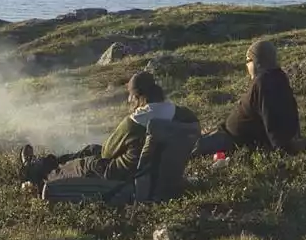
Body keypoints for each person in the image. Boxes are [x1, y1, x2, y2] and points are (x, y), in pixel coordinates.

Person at [20, 67, 199, 189]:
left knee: (85, 164)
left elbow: (107, 152)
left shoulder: (136, 121)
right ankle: (42, 163)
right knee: (91, 149)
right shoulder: (184, 115)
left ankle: (39, 175)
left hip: (124, 177)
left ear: (137, 97)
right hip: (163, 176)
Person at [195, 39, 300, 157]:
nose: (246, 65)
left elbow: (270, 116)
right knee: (196, 136)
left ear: (257, 61)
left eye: (248, 60)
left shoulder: (263, 83)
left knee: (189, 147)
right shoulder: (278, 77)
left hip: (232, 140)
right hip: (227, 133)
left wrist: (282, 150)